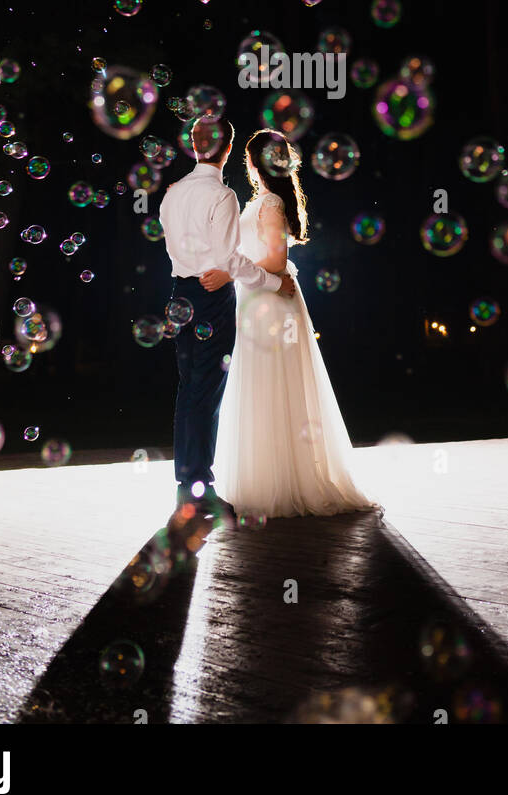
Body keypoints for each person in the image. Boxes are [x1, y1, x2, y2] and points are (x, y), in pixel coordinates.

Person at [200, 128, 380, 520]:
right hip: (258, 301)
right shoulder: (263, 201)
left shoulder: (271, 204)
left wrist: (232, 273)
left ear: (252, 162)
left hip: (271, 302)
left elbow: (277, 262)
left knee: (274, 386)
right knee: (260, 386)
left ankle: (285, 483)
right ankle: (263, 478)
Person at [159, 116, 295, 522]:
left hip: (179, 295)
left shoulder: (172, 194)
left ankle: (188, 487)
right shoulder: (222, 195)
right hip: (211, 297)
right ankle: (199, 491)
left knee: (188, 393)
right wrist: (272, 282)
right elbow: (226, 261)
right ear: (228, 149)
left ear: (193, 145)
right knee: (205, 395)